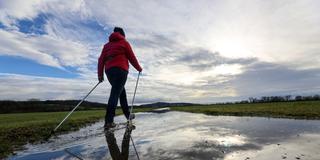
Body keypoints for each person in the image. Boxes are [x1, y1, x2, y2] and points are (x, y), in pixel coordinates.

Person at [98, 27, 142, 129]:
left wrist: (100, 75)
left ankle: (128, 116)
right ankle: (109, 121)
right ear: (122, 34)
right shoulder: (124, 42)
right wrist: (139, 68)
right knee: (115, 94)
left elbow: (101, 60)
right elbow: (132, 57)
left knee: (121, 94)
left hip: (109, 71)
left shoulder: (106, 46)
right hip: (121, 70)